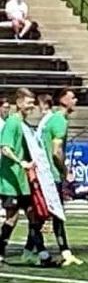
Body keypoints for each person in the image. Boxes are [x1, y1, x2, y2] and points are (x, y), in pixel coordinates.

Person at [39, 87, 82, 266]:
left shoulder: (54, 119)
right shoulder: (59, 121)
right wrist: (65, 171)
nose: (76, 100)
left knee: (41, 215)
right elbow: (56, 152)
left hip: (46, 171)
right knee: (56, 214)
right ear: (63, 100)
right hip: (50, 174)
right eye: (73, 97)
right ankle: (65, 252)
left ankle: (33, 250)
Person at [0, 88, 43, 264]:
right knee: (12, 216)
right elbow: (5, 148)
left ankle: (33, 252)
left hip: (23, 179)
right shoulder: (12, 123)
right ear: (18, 103)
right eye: (28, 102)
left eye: (33, 103)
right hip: (11, 180)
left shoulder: (24, 124)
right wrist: (21, 162)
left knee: (35, 215)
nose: (31, 106)